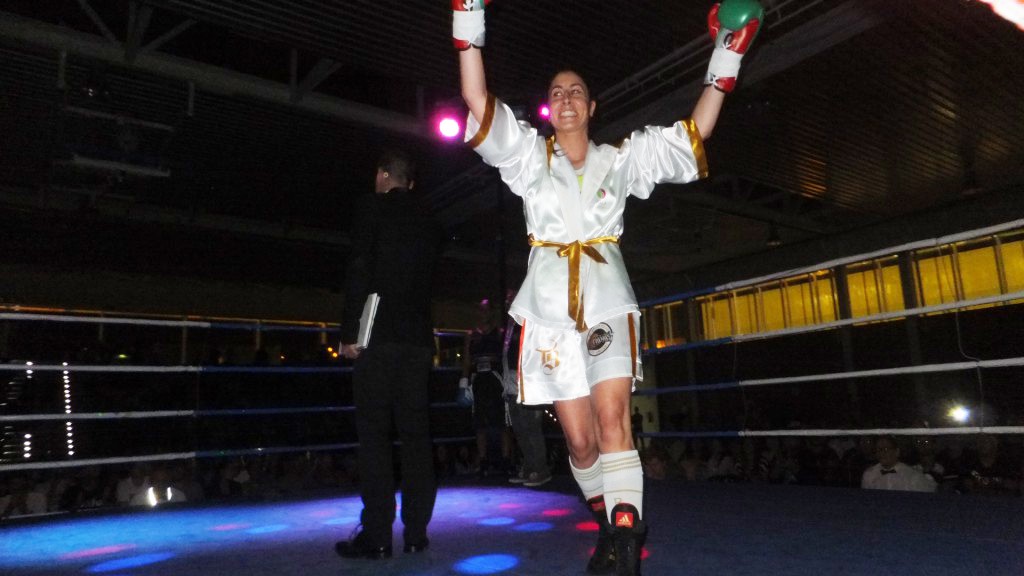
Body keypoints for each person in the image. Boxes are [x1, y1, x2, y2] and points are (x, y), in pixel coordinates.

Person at [453, 1, 764, 573]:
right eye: (557, 91)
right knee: (579, 443)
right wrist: (466, 19)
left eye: (577, 91)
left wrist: (728, 53)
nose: (566, 97)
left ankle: (625, 539)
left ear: (592, 107)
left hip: (606, 298)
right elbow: (476, 101)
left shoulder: (622, 160)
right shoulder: (526, 158)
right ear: (550, 109)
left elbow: (696, 133)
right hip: (547, 310)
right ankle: (609, 521)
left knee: (614, 416)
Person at [335, 149, 440, 560]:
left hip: (377, 336)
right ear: (409, 182)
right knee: (417, 436)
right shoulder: (431, 220)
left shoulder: (372, 208)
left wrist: (349, 332)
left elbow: (359, 267)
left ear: (382, 176)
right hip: (417, 339)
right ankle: (416, 533)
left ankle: (377, 535)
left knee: (374, 436)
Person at [503, 315, 553, 487]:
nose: (510, 300)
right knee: (519, 429)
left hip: (530, 380)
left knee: (532, 427)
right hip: (511, 381)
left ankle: (540, 469)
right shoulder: (511, 323)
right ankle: (530, 467)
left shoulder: (531, 318)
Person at [861, 435, 936, 493]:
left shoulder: (911, 475)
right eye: (879, 450)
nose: (882, 453)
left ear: (897, 452)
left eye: (886, 449)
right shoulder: (869, 474)